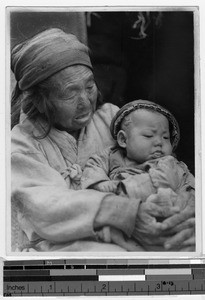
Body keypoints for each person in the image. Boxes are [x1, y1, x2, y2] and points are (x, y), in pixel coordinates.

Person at [11, 28, 195, 252]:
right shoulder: (22, 144)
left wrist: (187, 207)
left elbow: (169, 165)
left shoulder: (112, 118)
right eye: (70, 93)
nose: (85, 102)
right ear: (39, 101)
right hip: (65, 246)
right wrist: (124, 214)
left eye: (89, 87)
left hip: (143, 224)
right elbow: (46, 205)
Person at [82, 100, 195, 251]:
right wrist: (99, 183)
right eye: (149, 135)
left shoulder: (173, 164)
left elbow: (193, 188)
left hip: (165, 213)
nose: (159, 143)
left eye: (166, 137)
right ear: (123, 140)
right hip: (125, 215)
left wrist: (187, 195)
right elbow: (94, 165)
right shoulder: (111, 155)